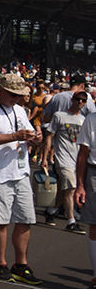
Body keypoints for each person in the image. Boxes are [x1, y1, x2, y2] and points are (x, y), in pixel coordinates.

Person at [0, 74, 43, 285]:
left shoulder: (20, 110)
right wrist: (15, 137)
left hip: (20, 172)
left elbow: (28, 134)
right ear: (0, 90)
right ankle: (1, 264)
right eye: (13, 94)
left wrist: (35, 139)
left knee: (25, 219)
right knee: (1, 221)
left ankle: (21, 264)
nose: (16, 98)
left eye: (19, 95)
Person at [41, 91, 87, 233]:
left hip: (77, 160)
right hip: (62, 158)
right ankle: (71, 222)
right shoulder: (59, 116)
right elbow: (50, 136)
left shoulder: (84, 119)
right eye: (78, 99)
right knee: (71, 188)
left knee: (65, 190)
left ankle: (51, 210)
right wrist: (45, 158)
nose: (80, 102)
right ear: (72, 99)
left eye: (83, 100)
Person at [73, 109, 96, 289]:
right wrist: (80, 185)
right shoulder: (91, 119)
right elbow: (83, 153)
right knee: (95, 227)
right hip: (94, 172)